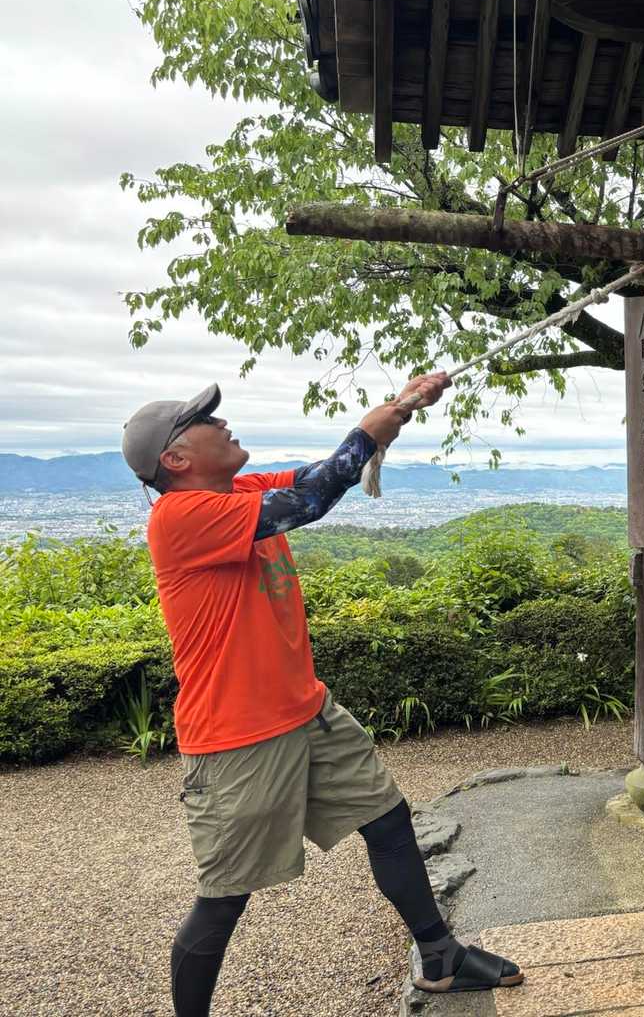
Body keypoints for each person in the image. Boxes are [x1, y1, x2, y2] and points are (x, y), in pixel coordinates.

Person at [120, 377, 523, 1017]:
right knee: (225, 896)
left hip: (307, 710)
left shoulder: (236, 490)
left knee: (388, 819)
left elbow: (318, 475)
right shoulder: (180, 517)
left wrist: (397, 410)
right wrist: (366, 433)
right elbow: (309, 500)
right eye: (205, 421)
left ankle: (440, 957)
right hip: (236, 737)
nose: (222, 423)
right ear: (176, 458)